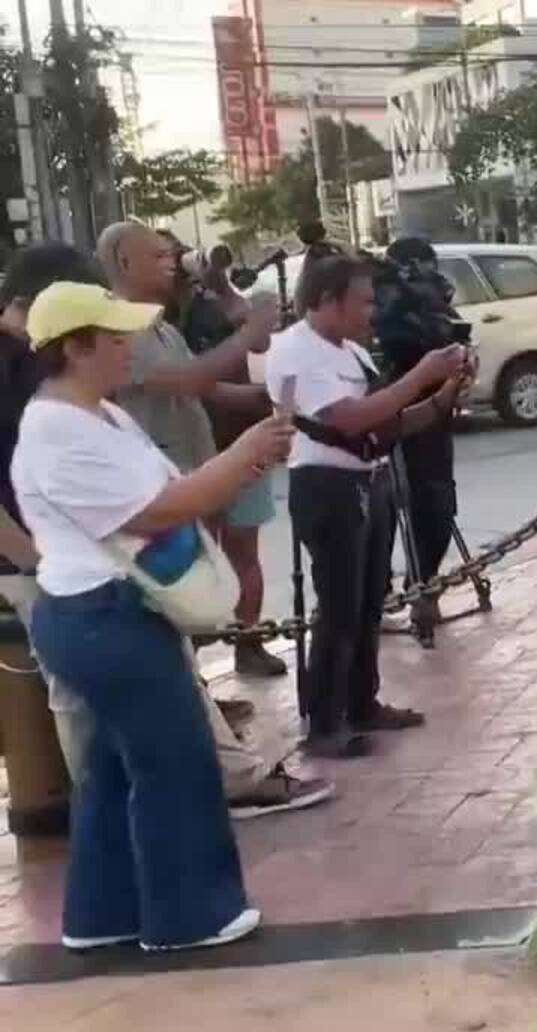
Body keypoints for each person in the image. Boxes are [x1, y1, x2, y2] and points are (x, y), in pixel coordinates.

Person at [13, 281, 296, 950]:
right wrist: (245, 453)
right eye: (115, 340)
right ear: (75, 349)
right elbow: (159, 511)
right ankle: (190, 916)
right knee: (174, 762)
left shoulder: (101, 415)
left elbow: (172, 487)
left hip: (112, 614)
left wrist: (243, 462)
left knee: (116, 770)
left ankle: (103, 917)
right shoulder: (57, 431)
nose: (127, 350)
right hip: (101, 616)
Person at [97, 221, 325, 815]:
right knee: (173, 619)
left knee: (184, 621)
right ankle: (218, 769)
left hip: (184, 485)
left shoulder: (160, 322)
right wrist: (246, 330)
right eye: (157, 253)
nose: (172, 259)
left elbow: (199, 391)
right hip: (156, 502)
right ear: (123, 261)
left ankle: (205, 741)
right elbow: (188, 379)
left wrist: (260, 404)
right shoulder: (120, 327)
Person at [266, 256, 469, 759]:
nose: (372, 312)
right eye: (362, 301)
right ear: (327, 301)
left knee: (368, 601)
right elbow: (351, 419)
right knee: (338, 606)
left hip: (368, 478)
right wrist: (421, 374)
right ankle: (324, 720)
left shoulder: (353, 353)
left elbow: (388, 424)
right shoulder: (295, 351)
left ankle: (362, 701)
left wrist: (444, 395)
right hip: (324, 484)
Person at [0, 245, 108, 785]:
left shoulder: (31, 356)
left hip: (70, 551)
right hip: (31, 559)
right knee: (73, 690)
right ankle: (97, 807)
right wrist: (32, 558)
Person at [174, 245, 285, 677]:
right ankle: (195, 671)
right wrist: (257, 396)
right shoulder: (155, 320)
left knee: (243, 548)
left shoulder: (215, 303)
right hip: (193, 447)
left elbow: (260, 338)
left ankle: (248, 643)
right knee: (193, 559)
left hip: (242, 435)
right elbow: (193, 384)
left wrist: (220, 283)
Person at [371, 237, 465, 625]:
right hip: (385, 413)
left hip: (430, 414)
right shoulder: (385, 298)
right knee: (388, 506)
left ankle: (422, 586)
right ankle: (386, 591)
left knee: (433, 505)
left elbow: (451, 338)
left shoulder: (431, 299)